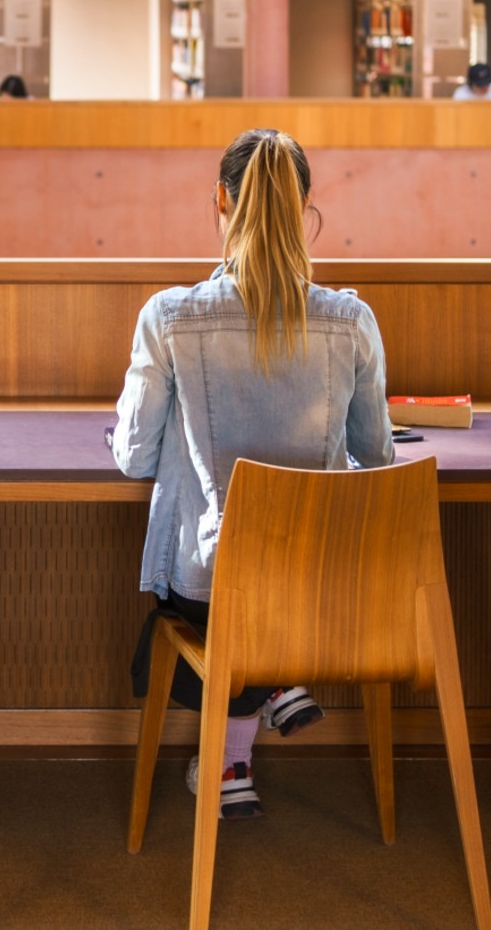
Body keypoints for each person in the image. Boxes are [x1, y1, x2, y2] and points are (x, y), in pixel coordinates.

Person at [110, 128, 393, 820]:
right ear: (305, 208)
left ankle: (241, 730)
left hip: (217, 590)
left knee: (220, 582)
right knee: (272, 582)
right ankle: (268, 690)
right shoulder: (352, 320)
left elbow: (134, 456)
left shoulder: (169, 317)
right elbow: (377, 461)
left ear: (220, 200)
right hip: (319, 592)